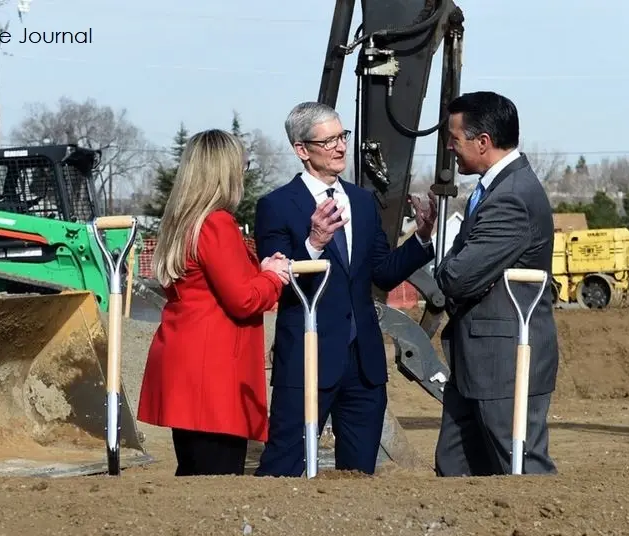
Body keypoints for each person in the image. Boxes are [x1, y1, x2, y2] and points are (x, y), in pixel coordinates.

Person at [253, 101, 438, 477]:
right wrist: (314, 243)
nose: (340, 147)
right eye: (329, 140)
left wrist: (421, 239)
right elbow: (280, 280)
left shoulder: (362, 201)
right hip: (309, 355)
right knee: (285, 468)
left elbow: (382, 273)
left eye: (342, 136)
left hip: (364, 362)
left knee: (359, 475)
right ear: (302, 149)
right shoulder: (276, 206)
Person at [137, 129, 292, 476]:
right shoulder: (217, 224)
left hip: (184, 362)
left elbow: (210, 284)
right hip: (213, 373)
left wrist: (259, 270)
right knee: (217, 478)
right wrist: (274, 276)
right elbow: (244, 300)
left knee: (193, 471)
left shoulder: (183, 222)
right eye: (243, 166)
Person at [432, 90, 559, 476]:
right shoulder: (493, 191)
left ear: (482, 142)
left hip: (504, 364)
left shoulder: (511, 198)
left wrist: (457, 268)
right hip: (478, 364)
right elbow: (463, 267)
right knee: (455, 466)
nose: (451, 149)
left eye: (455, 139)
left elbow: (455, 277)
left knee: (519, 468)